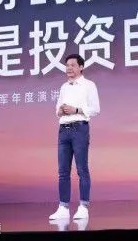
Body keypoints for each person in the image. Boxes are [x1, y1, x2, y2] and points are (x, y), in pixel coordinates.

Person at [49, 54, 101, 220]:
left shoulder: (89, 85)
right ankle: (63, 208)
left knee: (82, 169)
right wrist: (60, 110)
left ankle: (83, 207)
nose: (69, 68)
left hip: (79, 129)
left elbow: (96, 109)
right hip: (63, 130)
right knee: (63, 172)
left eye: (72, 65)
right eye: (67, 65)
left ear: (81, 67)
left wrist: (76, 110)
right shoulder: (64, 87)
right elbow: (57, 110)